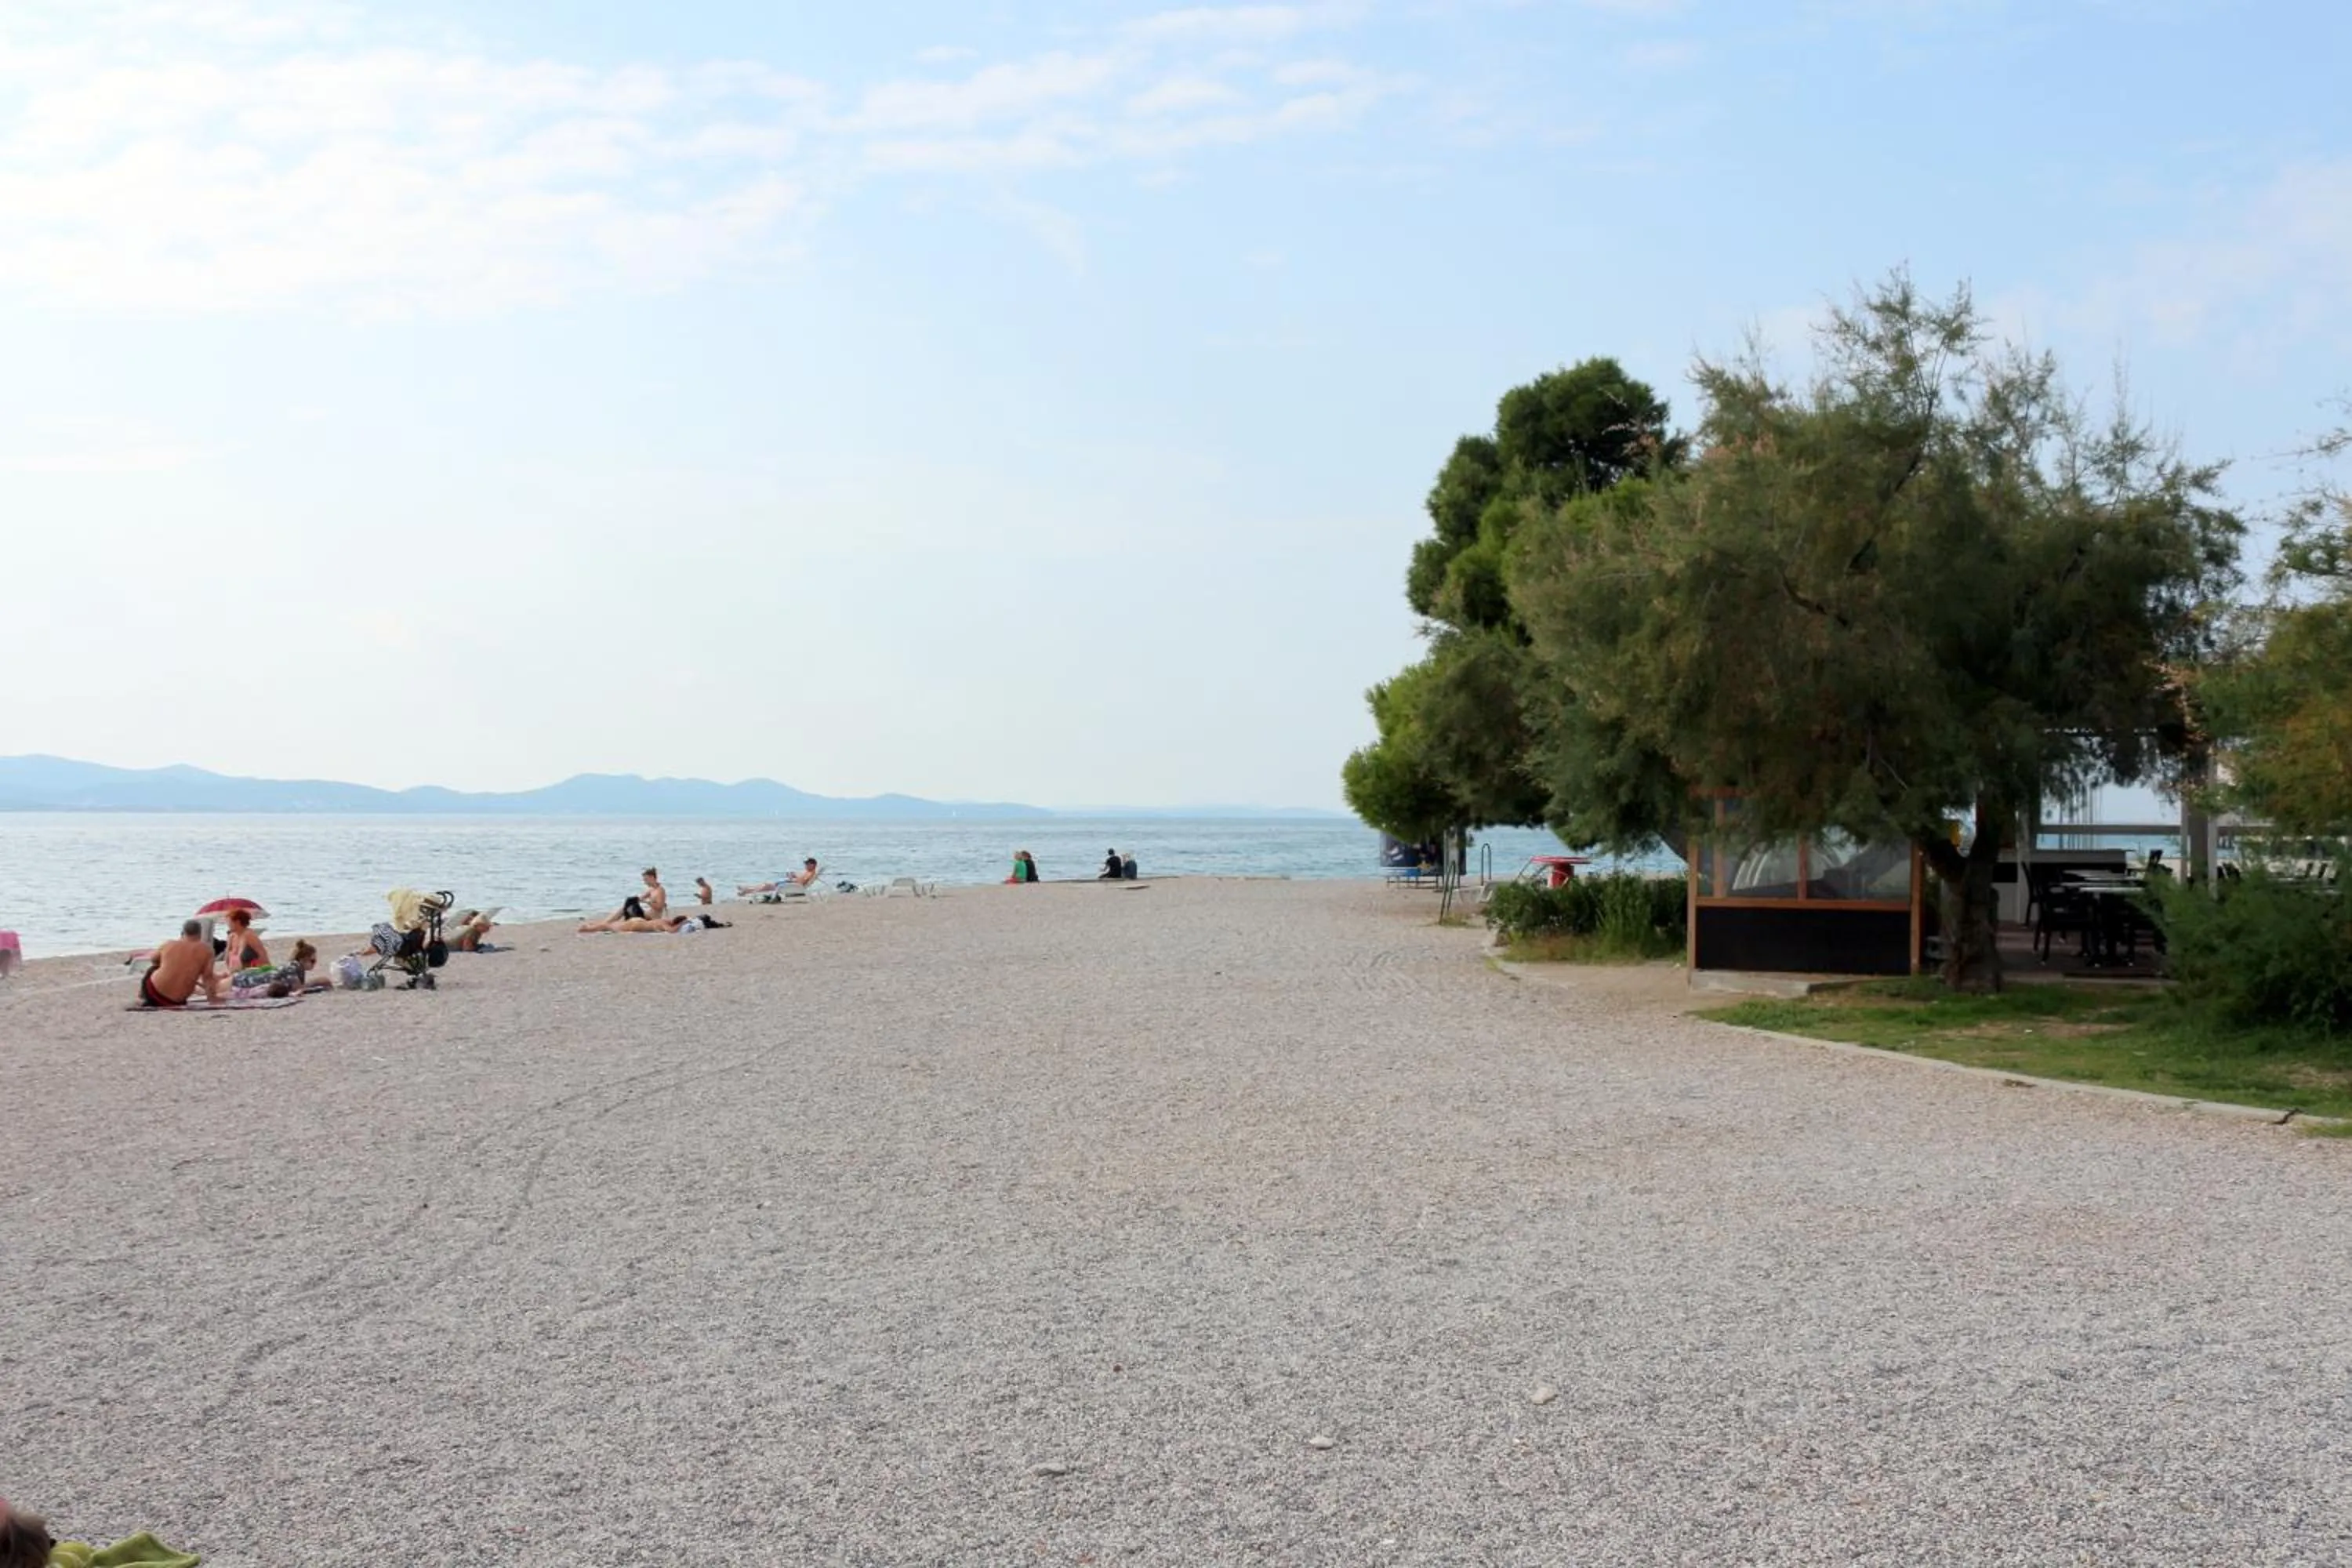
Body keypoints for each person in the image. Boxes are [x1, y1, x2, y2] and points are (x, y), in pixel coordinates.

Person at [140, 920, 226, 1007]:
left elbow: (154, 960)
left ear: (183, 932)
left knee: (152, 969)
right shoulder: (207, 951)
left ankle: (143, 996)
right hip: (177, 1001)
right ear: (200, 934)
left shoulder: (168, 944)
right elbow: (207, 978)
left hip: (154, 992)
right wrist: (212, 998)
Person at [222, 907, 269, 972]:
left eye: (229, 922)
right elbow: (228, 961)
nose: (228, 925)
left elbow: (264, 958)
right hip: (236, 973)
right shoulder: (231, 937)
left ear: (237, 922)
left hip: (253, 972)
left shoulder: (249, 936)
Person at [739, 858, 821, 896]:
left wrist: (792, 879)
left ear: (812, 865)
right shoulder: (809, 872)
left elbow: (801, 883)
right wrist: (794, 876)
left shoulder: (810, 873)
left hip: (789, 886)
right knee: (766, 885)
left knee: (766, 886)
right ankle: (746, 889)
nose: (805, 865)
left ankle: (746, 891)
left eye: (807, 864)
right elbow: (801, 880)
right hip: (789, 884)